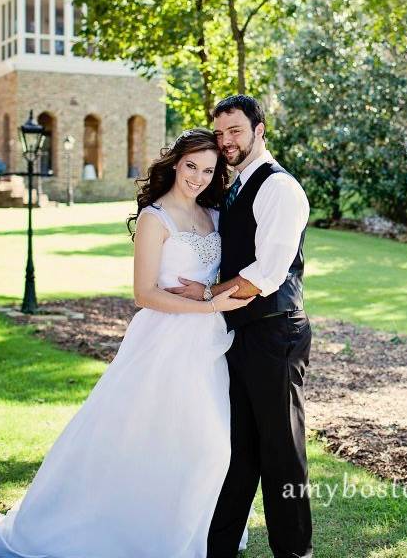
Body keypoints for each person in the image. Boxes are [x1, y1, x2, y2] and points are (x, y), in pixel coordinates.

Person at [0, 129, 253, 557]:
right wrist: (210, 307)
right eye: (191, 166)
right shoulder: (155, 219)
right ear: (176, 163)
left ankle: (183, 529)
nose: (197, 177)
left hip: (208, 346)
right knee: (146, 437)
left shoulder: (212, 214)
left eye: (208, 170)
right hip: (164, 342)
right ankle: (122, 526)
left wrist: (217, 300)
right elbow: (144, 294)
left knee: (206, 442)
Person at [168, 95, 313, 558]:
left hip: (275, 333)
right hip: (241, 333)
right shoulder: (234, 185)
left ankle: (295, 553)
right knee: (238, 452)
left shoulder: (278, 188)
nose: (227, 141)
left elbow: (267, 273)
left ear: (259, 129)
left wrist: (207, 295)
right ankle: (219, 548)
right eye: (221, 133)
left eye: (236, 131)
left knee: (282, 454)